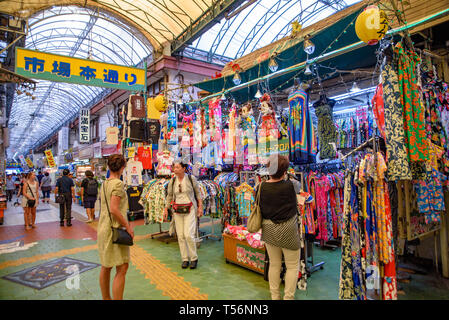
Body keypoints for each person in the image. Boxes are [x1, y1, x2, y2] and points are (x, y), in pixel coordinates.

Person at [258, 154, 300, 300]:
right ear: (284, 170)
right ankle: (288, 297)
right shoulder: (292, 185)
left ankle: (275, 296)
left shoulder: (260, 186)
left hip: (269, 228)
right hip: (288, 228)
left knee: (274, 264)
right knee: (292, 266)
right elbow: (299, 188)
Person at [98, 154, 134, 300]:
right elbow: (114, 209)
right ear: (122, 168)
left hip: (103, 228)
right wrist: (128, 226)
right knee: (122, 267)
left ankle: (106, 298)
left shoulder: (105, 183)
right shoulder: (118, 184)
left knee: (106, 266)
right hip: (115, 229)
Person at [164, 161, 203, 269]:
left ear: (183, 168)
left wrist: (200, 206)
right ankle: (185, 259)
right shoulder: (172, 181)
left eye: (177, 167)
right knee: (180, 236)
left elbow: (198, 193)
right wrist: (166, 209)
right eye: (174, 167)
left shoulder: (191, 179)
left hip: (190, 209)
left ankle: (194, 258)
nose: (175, 169)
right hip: (177, 211)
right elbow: (170, 196)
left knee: (188, 235)